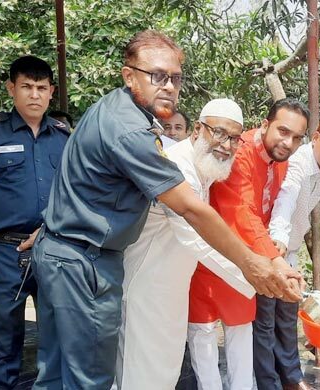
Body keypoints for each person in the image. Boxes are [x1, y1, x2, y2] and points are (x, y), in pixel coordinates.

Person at [24, 30, 301, 389]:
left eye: (175, 78)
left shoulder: (130, 115)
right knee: (94, 377)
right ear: (129, 75)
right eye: (157, 76)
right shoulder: (135, 135)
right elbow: (191, 215)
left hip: (84, 258)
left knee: (62, 373)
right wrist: (253, 268)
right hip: (99, 267)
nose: (168, 86)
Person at [115, 98, 255, 389]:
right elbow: (195, 238)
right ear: (197, 130)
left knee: (163, 372)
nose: (225, 145)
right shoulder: (177, 164)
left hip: (172, 289)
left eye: (233, 138)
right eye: (218, 133)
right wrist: (254, 274)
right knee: (139, 372)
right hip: (147, 285)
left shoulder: (203, 169)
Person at [187, 98, 309, 390]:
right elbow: (242, 212)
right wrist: (276, 262)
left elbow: (267, 213)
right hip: (210, 255)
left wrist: (275, 254)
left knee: (241, 332)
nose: (288, 142)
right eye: (282, 131)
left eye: (296, 138)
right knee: (202, 334)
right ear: (265, 125)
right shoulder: (239, 153)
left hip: (245, 264)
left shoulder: (279, 160)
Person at [0, 56, 69, 389]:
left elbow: (75, 193)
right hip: (5, 251)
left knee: (57, 334)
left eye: (41, 88)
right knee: (2, 339)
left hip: (52, 246)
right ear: (11, 89)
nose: (35, 95)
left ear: (51, 92)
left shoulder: (64, 138)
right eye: (26, 87)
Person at [267, 116, 320, 389]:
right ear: (315, 138)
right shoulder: (299, 164)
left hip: (287, 251)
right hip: (271, 249)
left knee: (285, 317)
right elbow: (285, 199)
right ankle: (270, 382)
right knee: (265, 323)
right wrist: (277, 244)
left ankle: (290, 378)